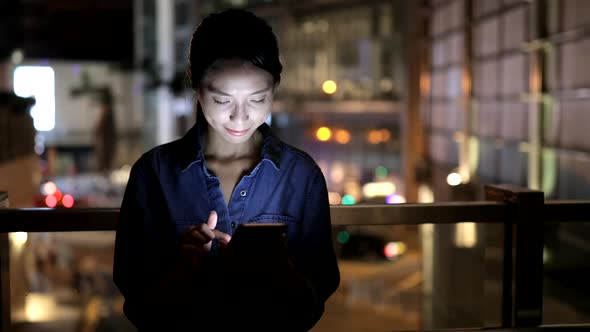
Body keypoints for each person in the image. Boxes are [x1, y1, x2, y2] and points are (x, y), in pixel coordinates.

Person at [113, 8, 340, 331]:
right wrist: (184, 268)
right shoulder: (155, 174)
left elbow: (314, 303)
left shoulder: (300, 176)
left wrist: (280, 271)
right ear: (195, 83)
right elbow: (138, 304)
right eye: (222, 100)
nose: (240, 117)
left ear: (275, 87)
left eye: (257, 99)